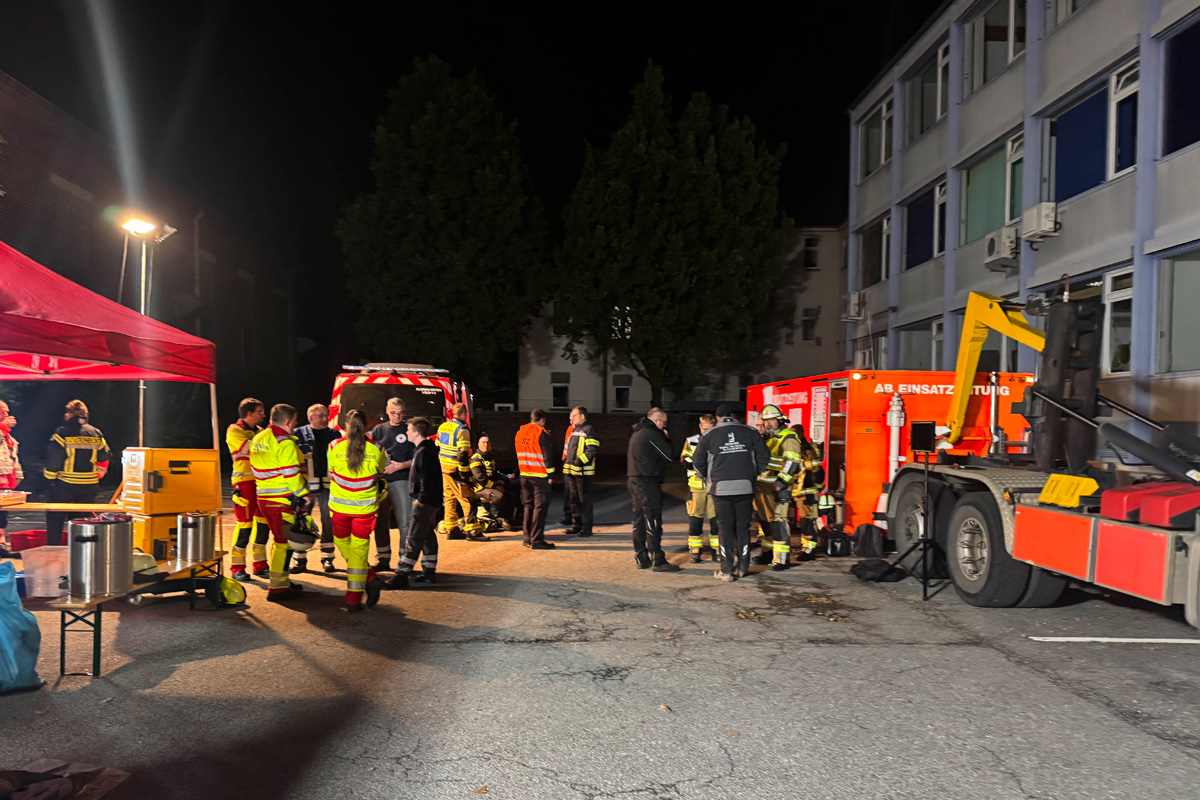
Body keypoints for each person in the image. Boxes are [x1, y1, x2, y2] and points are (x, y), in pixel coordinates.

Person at [693, 404, 771, 581]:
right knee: (743, 527)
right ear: (735, 416)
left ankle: (726, 570)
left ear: (718, 417)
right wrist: (753, 474)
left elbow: (698, 463)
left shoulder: (709, 435)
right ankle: (743, 567)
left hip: (720, 489)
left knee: (725, 528)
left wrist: (707, 478)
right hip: (745, 487)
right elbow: (764, 457)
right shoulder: (751, 432)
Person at [326, 409, 387, 611]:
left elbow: (331, 471)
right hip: (365, 509)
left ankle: (363, 587)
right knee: (358, 552)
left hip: (339, 508)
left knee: (344, 546)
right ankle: (357, 595)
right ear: (366, 426)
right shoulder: (377, 448)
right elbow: (380, 472)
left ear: (345, 426)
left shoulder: (334, 446)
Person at [249, 404, 309, 602]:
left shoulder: (259, 437)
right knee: (284, 543)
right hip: (282, 500)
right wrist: (304, 494)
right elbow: (291, 474)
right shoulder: (284, 443)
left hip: (264, 498)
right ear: (288, 421)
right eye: (295, 422)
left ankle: (281, 583)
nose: (295, 425)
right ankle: (277, 589)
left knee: (278, 540)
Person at [384, 416, 442, 588]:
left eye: (409, 430)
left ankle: (402, 574)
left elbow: (426, 479)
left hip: (425, 501)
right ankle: (429, 571)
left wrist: (421, 501)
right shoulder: (426, 450)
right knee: (427, 535)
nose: (406, 432)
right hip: (431, 500)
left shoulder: (423, 452)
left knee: (414, 536)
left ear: (416, 433)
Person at [43, 400, 111, 546]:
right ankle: (80, 552)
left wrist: (50, 478)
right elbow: (105, 455)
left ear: (70, 414)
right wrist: (98, 475)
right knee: (82, 522)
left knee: (55, 518)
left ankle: (54, 550)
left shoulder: (62, 432)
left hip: (65, 485)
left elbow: (54, 458)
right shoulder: (95, 432)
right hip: (88, 486)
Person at [627, 407, 679, 572]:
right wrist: (667, 439)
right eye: (664, 423)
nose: (665, 426)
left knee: (639, 519)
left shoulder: (638, 431)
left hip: (634, 478)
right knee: (653, 519)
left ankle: (641, 556)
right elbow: (669, 455)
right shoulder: (652, 434)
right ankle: (658, 558)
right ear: (657, 421)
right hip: (647, 481)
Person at [752, 405, 804, 571]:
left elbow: (792, 462)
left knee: (778, 521)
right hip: (764, 486)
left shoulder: (788, 437)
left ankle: (781, 559)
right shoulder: (770, 437)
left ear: (780, 420)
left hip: (778, 487)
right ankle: (768, 553)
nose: (767, 423)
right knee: (766, 522)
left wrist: (780, 483)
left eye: (771, 420)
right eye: (765, 420)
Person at [293, 403, 341, 574]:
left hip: (328, 486)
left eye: (325, 415)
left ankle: (328, 558)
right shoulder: (298, 434)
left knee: (328, 522)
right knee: (302, 522)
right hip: (306, 487)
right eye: (320, 416)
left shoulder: (334, 434)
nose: (324, 419)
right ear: (310, 417)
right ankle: (299, 559)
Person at [369, 398, 416, 570]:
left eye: (401, 413)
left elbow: (417, 458)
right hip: (380, 482)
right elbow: (370, 453)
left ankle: (404, 560)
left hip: (402, 480)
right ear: (387, 411)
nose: (397, 416)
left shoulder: (409, 430)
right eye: (394, 412)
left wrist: (399, 466)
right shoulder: (379, 430)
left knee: (404, 522)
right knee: (380, 522)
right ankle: (383, 559)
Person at [227, 398, 270, 581]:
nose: (263, 414)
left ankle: (260, 565)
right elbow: (250, 449)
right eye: (260, 411)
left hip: (261, 482)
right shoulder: (234, 430)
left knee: (263, 525)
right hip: (244, 482)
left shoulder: (259, 431)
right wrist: (269, 442)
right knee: (244, 525)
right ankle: (237, 567)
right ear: (249, 413)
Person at [437, 402, 484, 541]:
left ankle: (452, 529)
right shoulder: (463, 430)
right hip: (455, 469)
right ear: (464, 414)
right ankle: (473, 531)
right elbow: (463, 453)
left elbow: (438, 444)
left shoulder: (443, 426)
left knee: (449, 498)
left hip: (443, 467)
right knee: (467, 498)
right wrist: (465, 473)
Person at [515, 408, 557, 550]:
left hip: (524, 474)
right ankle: (537, 540)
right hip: (539, 476)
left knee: (528, 506)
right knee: (540, 508)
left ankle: (527, 538)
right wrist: (550, 475)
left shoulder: (520, 432)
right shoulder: (541, 433)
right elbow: (548, 457)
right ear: (543, 420)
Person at [681, 414, 720, 563]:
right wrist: (698, 462)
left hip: (712, 487)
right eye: (705, 429)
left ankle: (716, 550)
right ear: (700, 427)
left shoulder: (718, 441)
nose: (707, 432)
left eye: (710, 429)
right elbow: (684, 459)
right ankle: (696, 551)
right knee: (695, 520)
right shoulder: (691, 441)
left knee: (715, 520)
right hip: (696, 488)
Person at [562, 406, 600, 537]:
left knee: (584, 502)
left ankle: (586, 528)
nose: (571, 419)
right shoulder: (575, 430)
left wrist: (578, 462)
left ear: (582, 416)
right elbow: (570, 451)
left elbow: (592, 450)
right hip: (573, 472)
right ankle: (576, 525)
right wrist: (568, 466)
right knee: (574, 500)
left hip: (583, 473)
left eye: (574, 416)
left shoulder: (589, 430)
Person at [790, 424, 825, 555]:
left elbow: (814, 471)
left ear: (802, 433)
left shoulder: (808, 449)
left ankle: (809, 550)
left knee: (807, 521)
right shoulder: (793, 448)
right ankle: (805, 547)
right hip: (795, 490)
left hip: (807, 491)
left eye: (796, 433)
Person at [470, 436, 516, 532]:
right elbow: (480, 479)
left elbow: (496, 475)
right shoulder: (476, 459)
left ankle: (507, 519)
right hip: (479, 489)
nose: (486, 445)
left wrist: (502, 483)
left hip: (489, 487)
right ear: (478, 445)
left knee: (511, 496)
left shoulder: (489, 459)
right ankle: (496, 519)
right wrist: (496, 486)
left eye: (488, 443)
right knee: (498, 496)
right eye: (483, 443)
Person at [0, 400, 22, 555]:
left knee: (2, 513)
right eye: (3, 412)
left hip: (5, 482)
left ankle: (1, 543)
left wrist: (18, 475)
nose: (7, 415)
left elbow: (11, 455)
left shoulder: (7, 435)